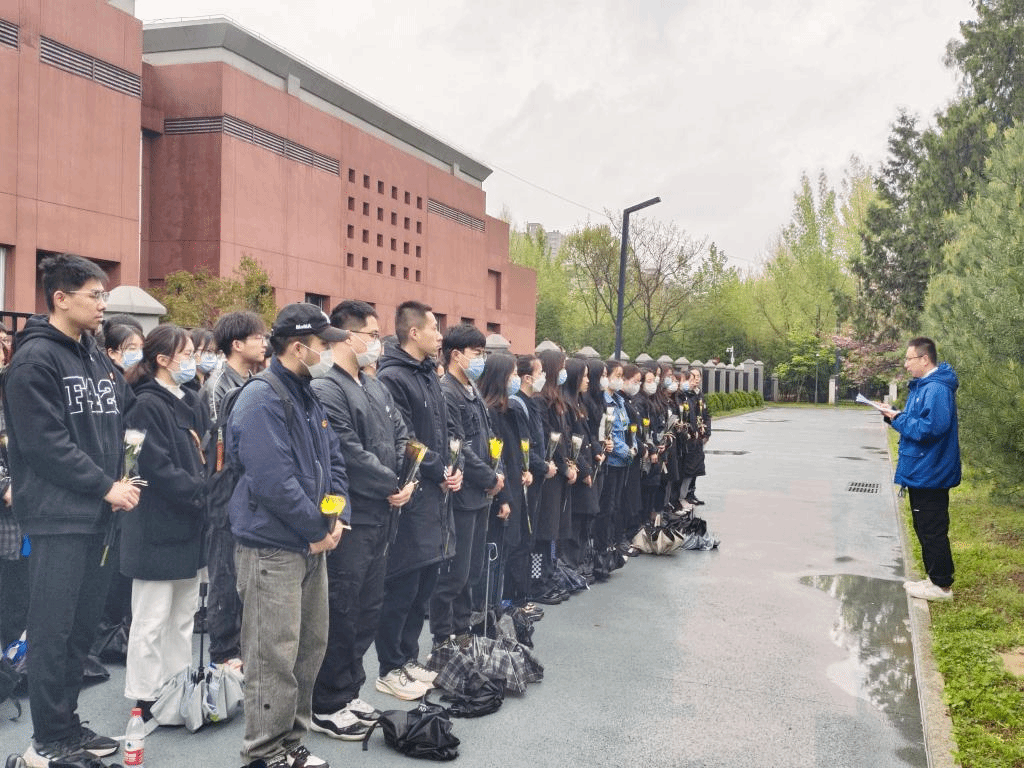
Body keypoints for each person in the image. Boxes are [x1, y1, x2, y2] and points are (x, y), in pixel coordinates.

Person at [3, 253, 139, 767]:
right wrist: (105, 485)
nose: (103, 304)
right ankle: (48, 740)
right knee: (52, 632)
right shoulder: (35, 360)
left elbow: (122, 418)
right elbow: (45, 444)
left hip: (101, 514)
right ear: (60, 298)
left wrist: (125, 473)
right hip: (59, 516)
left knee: (81, 633)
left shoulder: (94, 356)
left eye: (104, 295)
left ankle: (67, 726)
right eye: (95, 295)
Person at [227, 303, 350, 768]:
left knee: (308, 647)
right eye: (321, 344)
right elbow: (272, 481)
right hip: (272, 546)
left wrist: (336, 515)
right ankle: (264, 751)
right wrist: (317, 529)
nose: (327, 352)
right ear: (298, 347)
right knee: (271, 654)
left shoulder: (306, 393)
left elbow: (334, 459)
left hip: (309, 542)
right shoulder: (262, 398)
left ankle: (290, 741)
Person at [310, 300, 414, 740]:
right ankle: (326, 702)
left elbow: (402, 435)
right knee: (343, 607)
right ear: (347, 336)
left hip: (383, 513)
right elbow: (348, 453)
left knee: (368, 607)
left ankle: (350, 690)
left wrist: (407, 479)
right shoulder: (327, 388)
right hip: (353, 514)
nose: (377, 343)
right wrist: (391, 481)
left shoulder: (374, 385)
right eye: (372, 335)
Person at [121, 325, 208, 723]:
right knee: (151, 618)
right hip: (156, 524)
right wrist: (200, 491)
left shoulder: (189, 398)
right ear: (162, 359)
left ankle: (177, 686)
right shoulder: (143, 404)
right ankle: (144, 694)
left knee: (183, 615)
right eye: (187, 354)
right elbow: (146, 464)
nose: (192, 361)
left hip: (189, 521)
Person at [375, 301, 462, 700]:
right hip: (412, 495)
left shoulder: (427, 373)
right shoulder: (393, 376)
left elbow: (442, 433)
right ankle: (389, 666)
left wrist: (452, 468)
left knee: (424, 582)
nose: (440, 336)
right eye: (434, 328)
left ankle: (409, 658)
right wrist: (437, 469)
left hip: (435, 495)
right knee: (403, 585)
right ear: (413, 333)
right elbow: (406, 439)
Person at [199, 310, 267, 673]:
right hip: (225, 492)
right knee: (224, 575)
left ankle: (241, 647)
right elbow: (218, 447)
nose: (264, 343)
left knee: (245, 576)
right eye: (257, 337)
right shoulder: (217, 386)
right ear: (236, 344)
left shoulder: (253, 380)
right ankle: (223, 652)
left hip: (247, 492)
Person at [433, 325, 505, 649]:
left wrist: (498, 474)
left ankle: (462, 631)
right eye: (477, 353)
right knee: (455, 574)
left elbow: (489, 439)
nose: (481, 359)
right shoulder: (447, 392)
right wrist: (489, 478)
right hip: (462, 495)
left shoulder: (471, 389)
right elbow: (458, 445)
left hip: (481, 496)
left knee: (472, 572)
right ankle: (442, 637)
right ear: (456, 354)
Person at [879, 337, 960, 602]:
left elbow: (930, 429)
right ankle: (934, 579)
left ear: (925, 359)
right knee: (925, 527)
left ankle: (941, 586)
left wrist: (898, 418)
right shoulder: (925, 386)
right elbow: (919, 421)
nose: (906, 365)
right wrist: (895, 415)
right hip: (924, 469)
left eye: (909, 359)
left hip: (931, 471)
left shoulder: (935, 389)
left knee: (932, 529)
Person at [681, 369, 711, 507]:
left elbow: (706, 414)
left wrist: (707, 433)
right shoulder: (686, 395)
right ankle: (684, 496)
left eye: (698, 377)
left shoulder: (699, 394)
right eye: (693, 377)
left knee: (697, 465)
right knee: (689, 466)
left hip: (700, 436)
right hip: (690, 437)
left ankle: (691, 493)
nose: (696, 380)